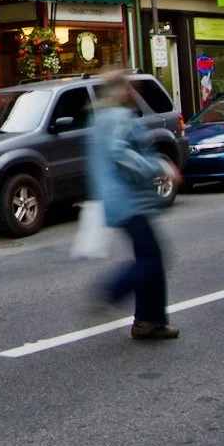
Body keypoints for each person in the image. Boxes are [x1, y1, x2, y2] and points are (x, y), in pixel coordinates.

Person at [86, 72, 180, 341]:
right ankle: (111, 292)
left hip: (114, 199)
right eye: (128, 86)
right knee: (152, 259)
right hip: (130, 200)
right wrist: (157, 167)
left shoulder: (99, 120)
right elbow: (120, 153)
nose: (132, 91)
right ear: (120, 90)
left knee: (149, 257)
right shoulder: (120, 118)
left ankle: (147, 321)